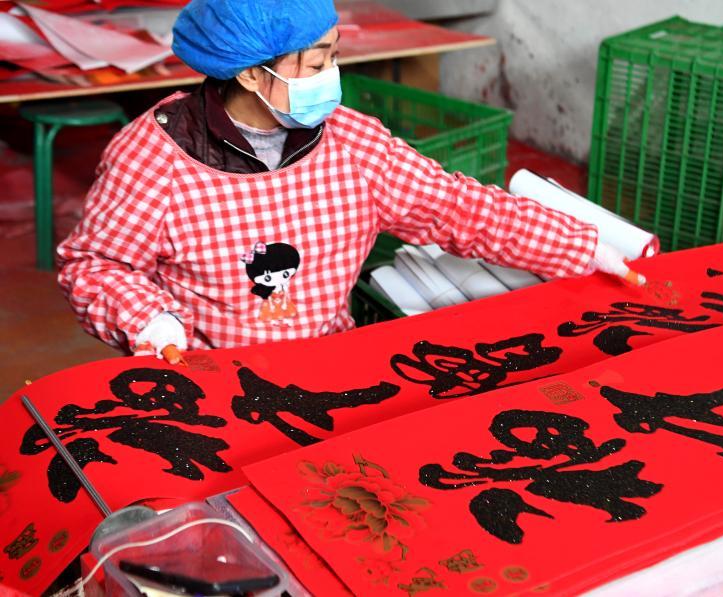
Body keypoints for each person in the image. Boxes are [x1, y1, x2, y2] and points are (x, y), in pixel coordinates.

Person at [57, 0, 641, 364]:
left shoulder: (352, 145)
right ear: (251, 74)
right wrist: (149, 320)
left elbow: (456, 208)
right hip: (205, 374)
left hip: (330, 367)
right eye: (315, 65)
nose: (331, 77)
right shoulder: (154, 157)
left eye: (333, 58)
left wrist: (580, 246)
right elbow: (95, 265)